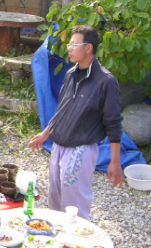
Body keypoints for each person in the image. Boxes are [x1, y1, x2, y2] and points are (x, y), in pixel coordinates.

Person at [29, 25, 123, 220]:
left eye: (74, 44)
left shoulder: (106, 81)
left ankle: (79, 247)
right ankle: (56, 245)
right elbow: (62, 109)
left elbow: (113, 123)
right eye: (69, 45)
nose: (69, 48)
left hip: (81, 149)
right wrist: (45, 134)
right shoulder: (72, 73)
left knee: (74, 209)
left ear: (88, 47)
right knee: (54, 203)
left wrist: (115, 161)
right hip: (58, 146)